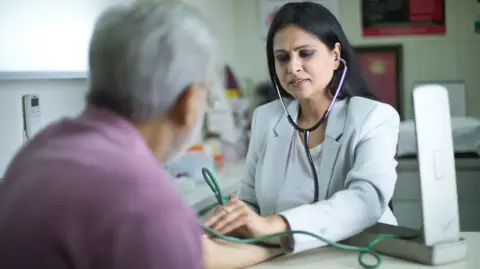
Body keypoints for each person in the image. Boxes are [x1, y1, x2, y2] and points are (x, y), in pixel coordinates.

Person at [0, 2, 281, 269]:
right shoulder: (144, 200)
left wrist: (272, 245)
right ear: (189, 101)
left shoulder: (39, 149)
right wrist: (279, 243)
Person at [205, 1, 400, 255]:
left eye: (305, 53)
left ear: (335, 55)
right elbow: (250, 203)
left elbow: (366, 201)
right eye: (282, 57)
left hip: (361, 256)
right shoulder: (265, 118)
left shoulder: (374, 117)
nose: (293, 68)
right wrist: (236, 218)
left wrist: (274, 226)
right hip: (287, 259)